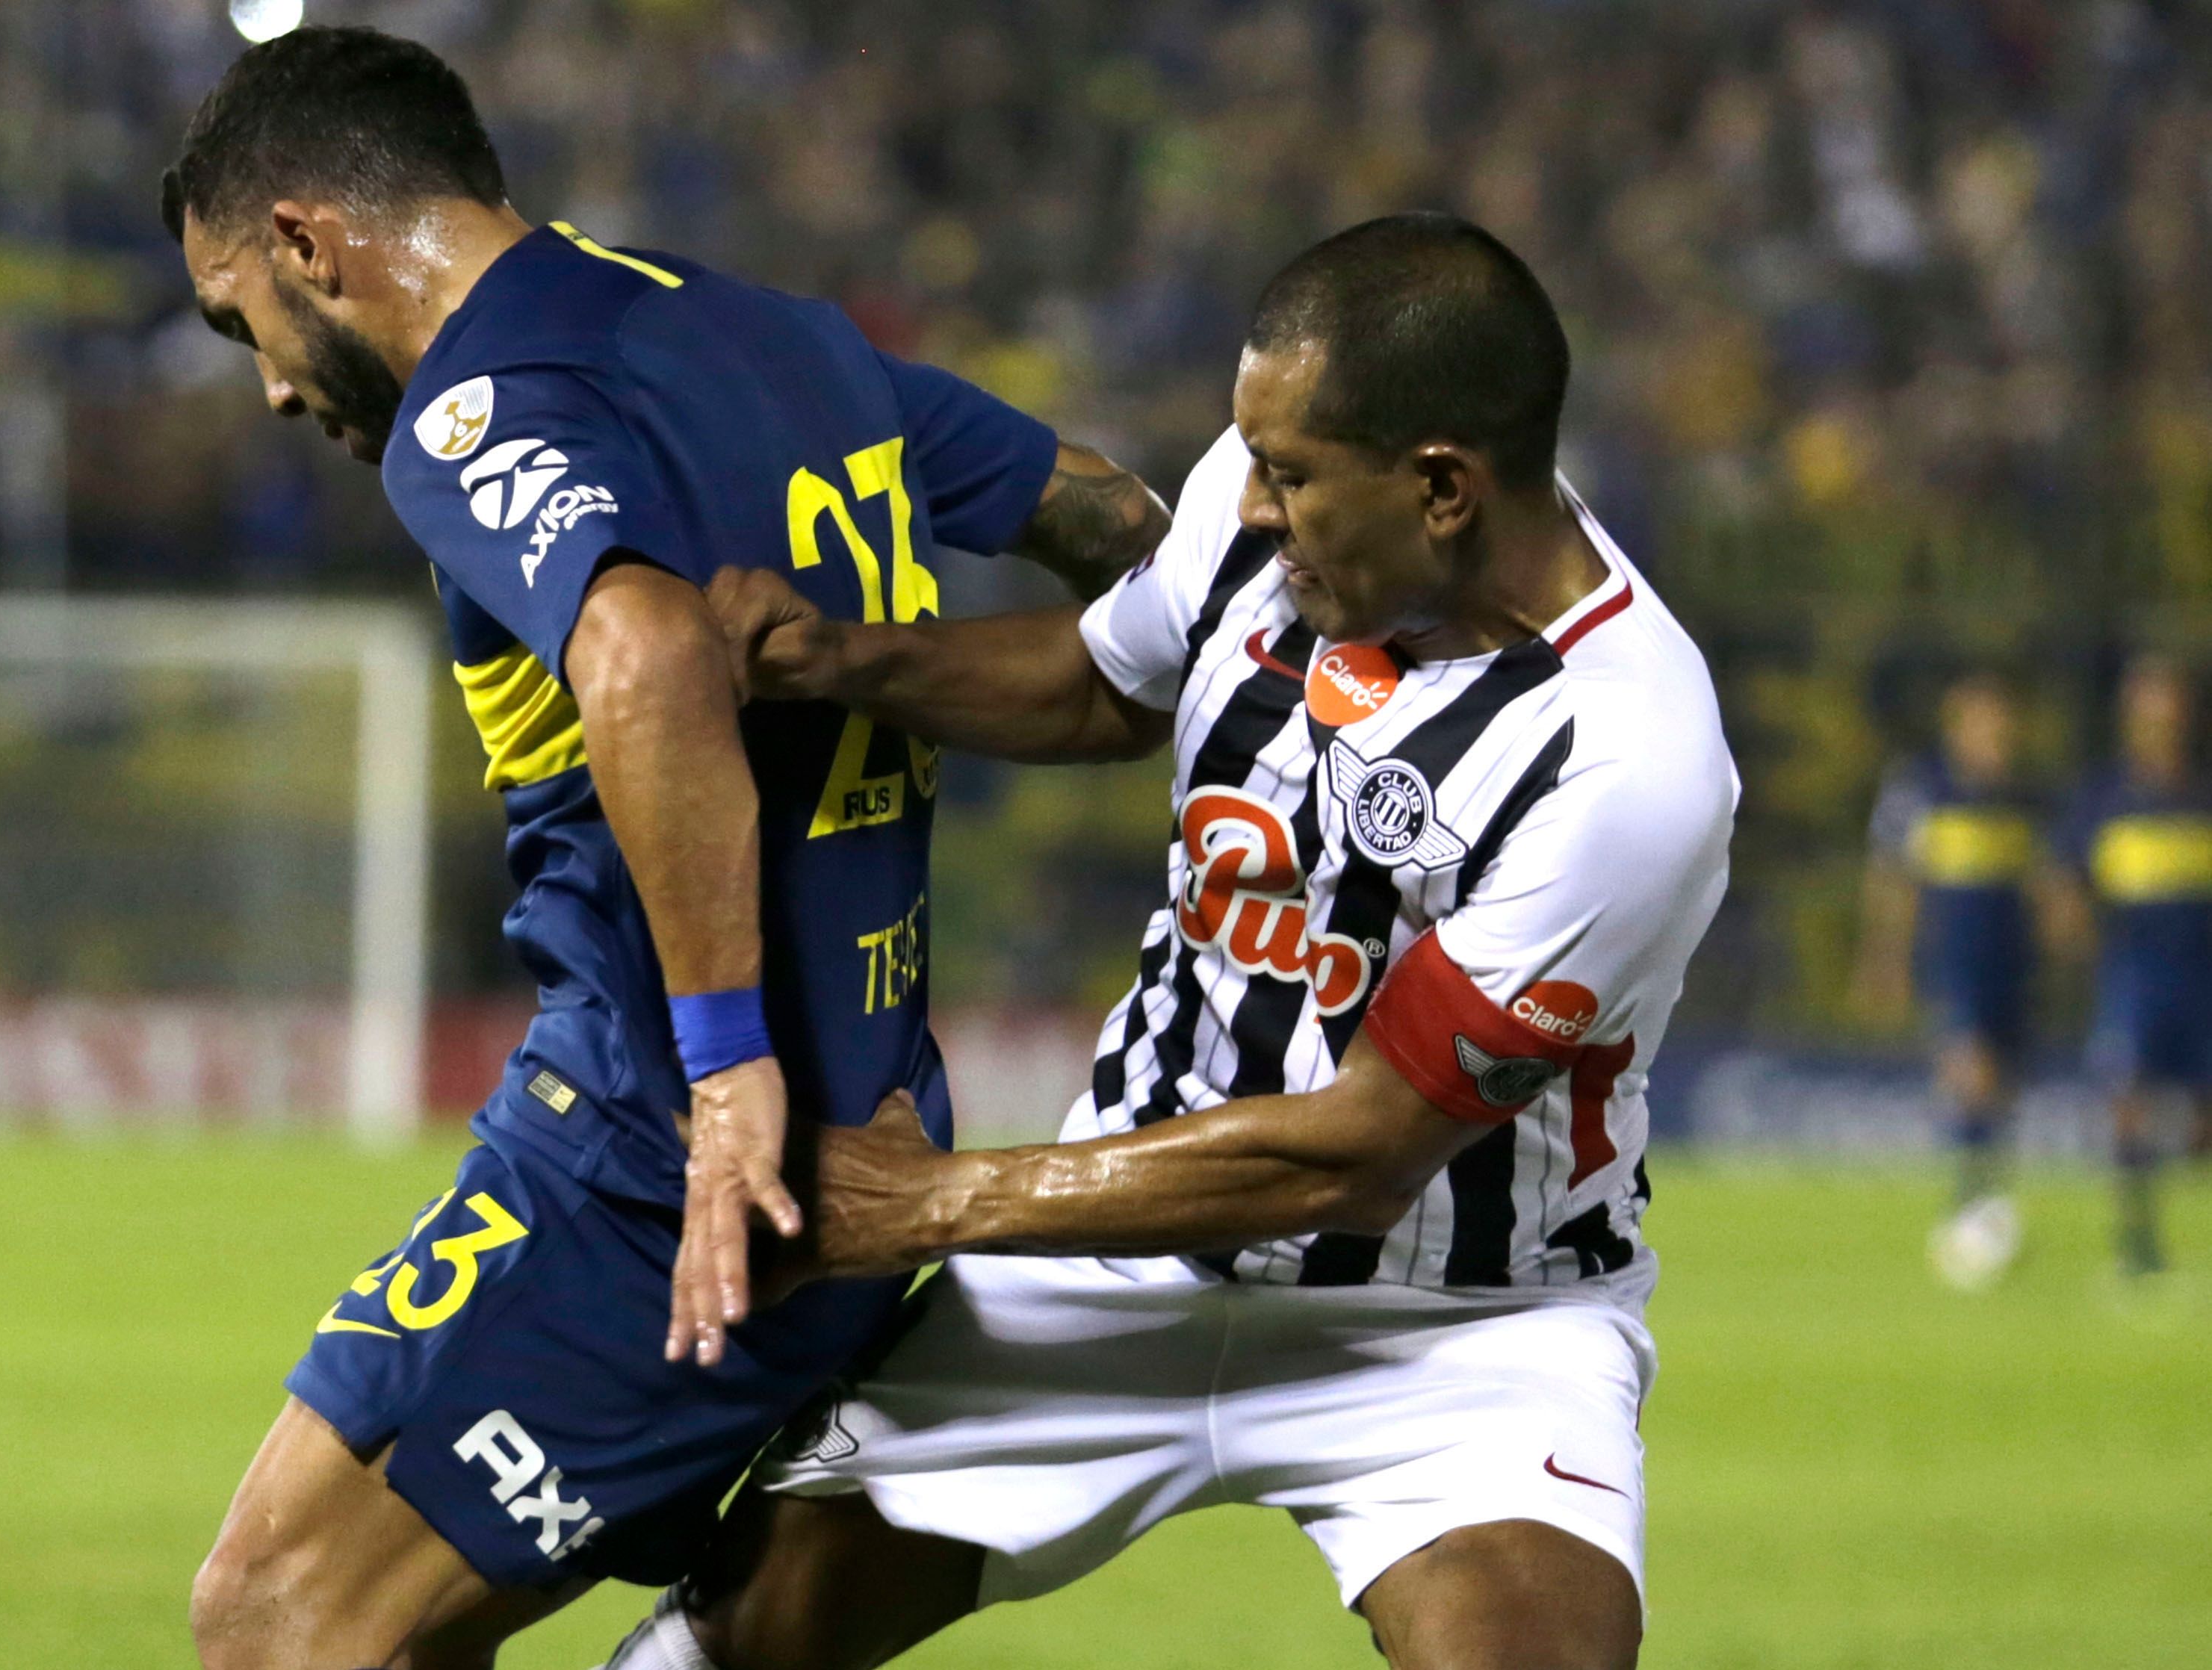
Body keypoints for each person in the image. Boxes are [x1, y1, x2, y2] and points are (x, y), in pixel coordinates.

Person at [156, 28, 1168, 1669]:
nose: (269, 381)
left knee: (283, 1621)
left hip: (660, 1165)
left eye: (240, 322)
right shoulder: (779, 337)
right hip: (865, 1137)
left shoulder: (478, 411)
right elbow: (1116, 528)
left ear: (303, 244)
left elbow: (647, 653)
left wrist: (722, 1073)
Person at [601, 214, 1735, 1670]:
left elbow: (1355, 1147)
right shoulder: (1273, 509)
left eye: (1291, 475)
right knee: (727, 1641)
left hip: (1452, 1326)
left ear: (1440, 486)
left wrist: (929, 1202)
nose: (1247, 501)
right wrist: (846, 658)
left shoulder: (1630, 754)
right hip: (1105, 1255)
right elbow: (1104, 684)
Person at [1856, 671, 2045, 1289]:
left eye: (2001, 719)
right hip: (1952, 961)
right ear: (1956, 724)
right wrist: (1886, 961)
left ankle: (1983, 1194)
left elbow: (2044, 879)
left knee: (2002, 1085)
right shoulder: (1924, 788)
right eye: (1982, 719)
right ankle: (1971, 1202)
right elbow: (1892, 877)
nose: (1994, 732)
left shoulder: (2024, 794)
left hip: (2012, 964)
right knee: (1970, 1069)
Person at [2055, 654, 2212, 1279]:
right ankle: (2137, 1244)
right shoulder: (2106, 797)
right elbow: (2064, 875)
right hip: (2134, 974)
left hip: (2202, 976)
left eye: (2169, 710)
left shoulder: (2203, 795)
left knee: (2203, 1124)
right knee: (2130, 1102)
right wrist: (2076, 935)